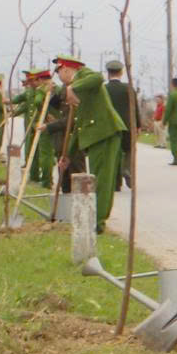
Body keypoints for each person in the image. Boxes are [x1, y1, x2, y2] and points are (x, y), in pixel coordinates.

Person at [53, 54, 124, 232]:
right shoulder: (76, 86)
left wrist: (72, 88)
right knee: (98, 179)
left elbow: (98, 77)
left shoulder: (83, 75)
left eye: (59, 72)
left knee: (102, 180)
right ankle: (96, 220)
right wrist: (67, 155)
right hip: (97, 136)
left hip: (105, 133)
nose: (59, 78)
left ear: (66, 69)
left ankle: (97, 223)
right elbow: (78, 124)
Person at [102, 62, 135, 190]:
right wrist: (137, 125)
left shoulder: (103, 89)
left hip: (110, 126)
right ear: (121, 73)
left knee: (113, 153)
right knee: (128, 150)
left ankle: (116, 184)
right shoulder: (128, 88)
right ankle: (126, 169)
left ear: (108, 73)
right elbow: (134, 108)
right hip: (127, 125)